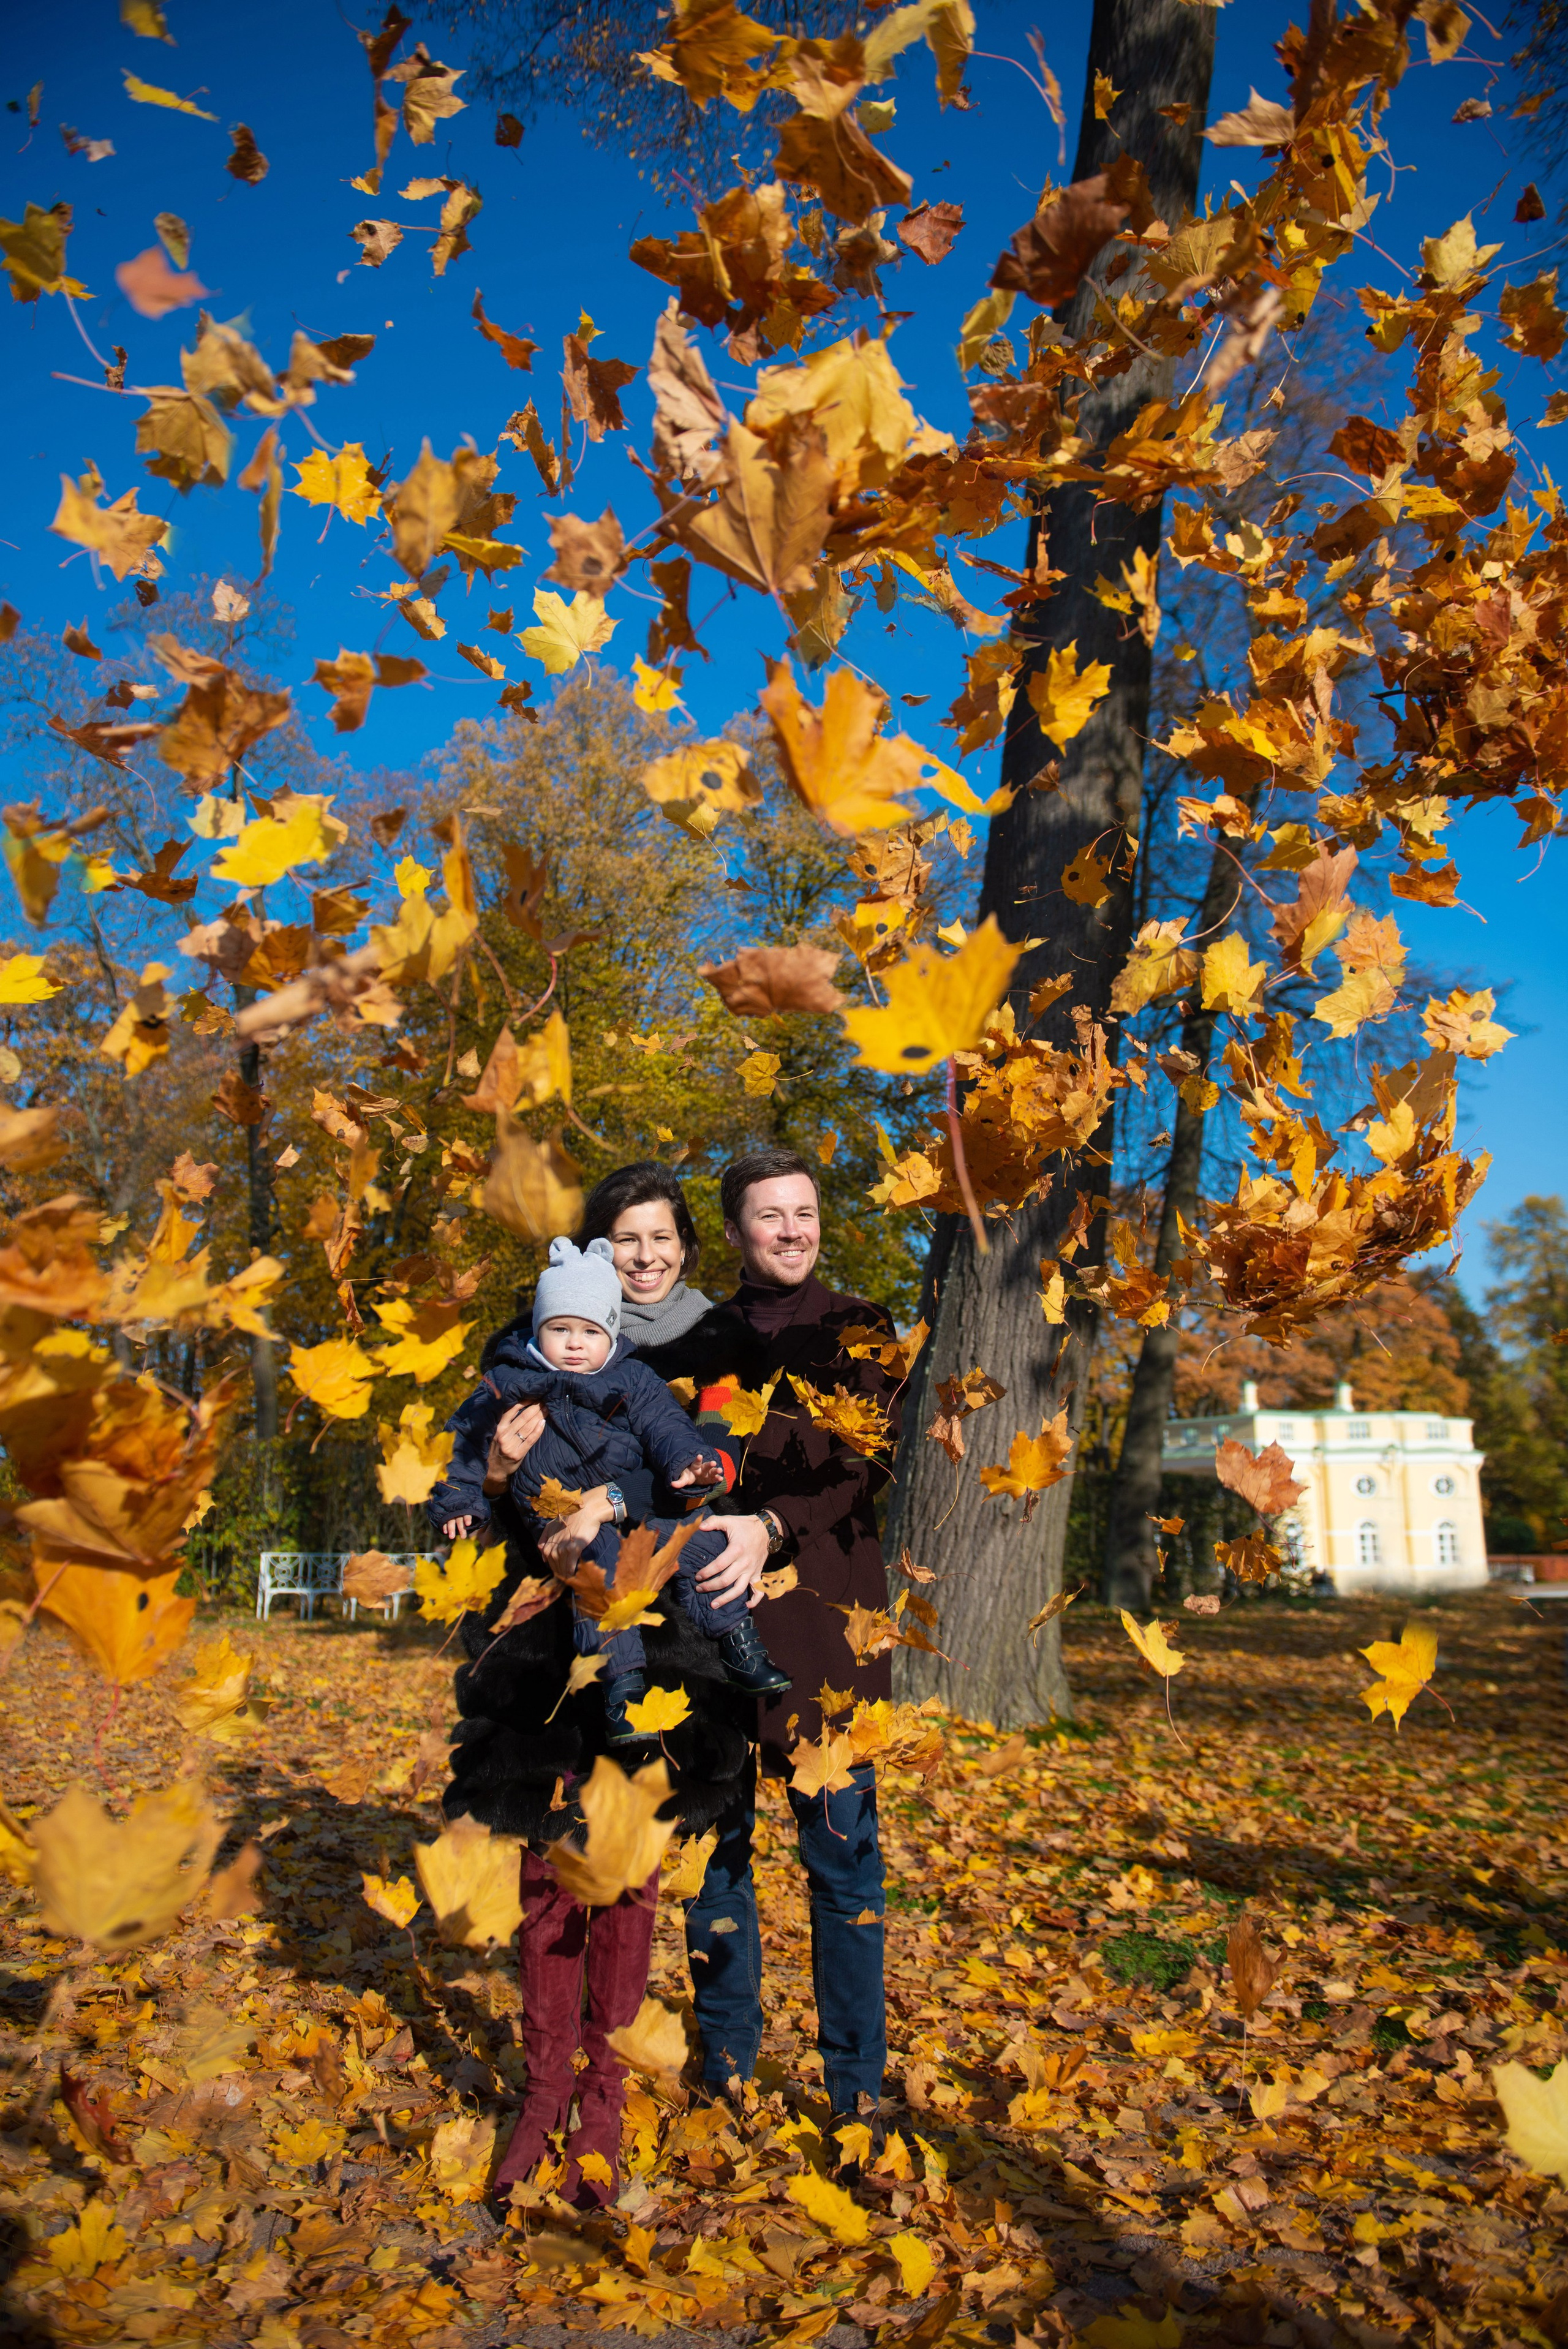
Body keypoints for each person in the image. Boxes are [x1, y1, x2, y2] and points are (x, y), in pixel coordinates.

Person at [435, 1166, 775, 2213]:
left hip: (668, 1647)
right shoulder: (531, 1348)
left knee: (629, 1869)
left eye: (662, 1236)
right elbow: (470, 1505)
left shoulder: (717, 1352)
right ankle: (541, 2097)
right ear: (597, 1252)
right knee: (550, 1875)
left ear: (686, 1244)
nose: (646, 1255)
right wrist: (494, 1477)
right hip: (547, 1643)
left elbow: (728, 1475)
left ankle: (606, 2106)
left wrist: (734, 1521)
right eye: (625, 1238)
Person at [669, 1148, 905, 2166]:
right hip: (717, 1638)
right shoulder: (709, 1341)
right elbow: (697, 1471)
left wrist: (771, 1522)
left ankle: (855, 2087)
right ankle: (725, 2066)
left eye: (805, 1212)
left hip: (828, 1639)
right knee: (714, 1865)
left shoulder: (860, 1330)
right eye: (772, 1216)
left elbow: (865, 1463)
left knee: (843, 1870)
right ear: (736, 1231)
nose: (794, 1230)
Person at [427, 1233, 791, 1739]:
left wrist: (690, 1462)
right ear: (538, 1330)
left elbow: (667, 1426)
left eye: (590, 1331)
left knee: (700, 1539)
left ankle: (737, 1642)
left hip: (635, 1515)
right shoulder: (508, 1382)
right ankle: (623, 1687)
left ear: (611, 1333)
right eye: (561, 1328)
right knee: (601, 1566)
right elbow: (461, 1441)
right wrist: (462, 1497)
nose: (576, 1342)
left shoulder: (633, 1377)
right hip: (562, 1519)